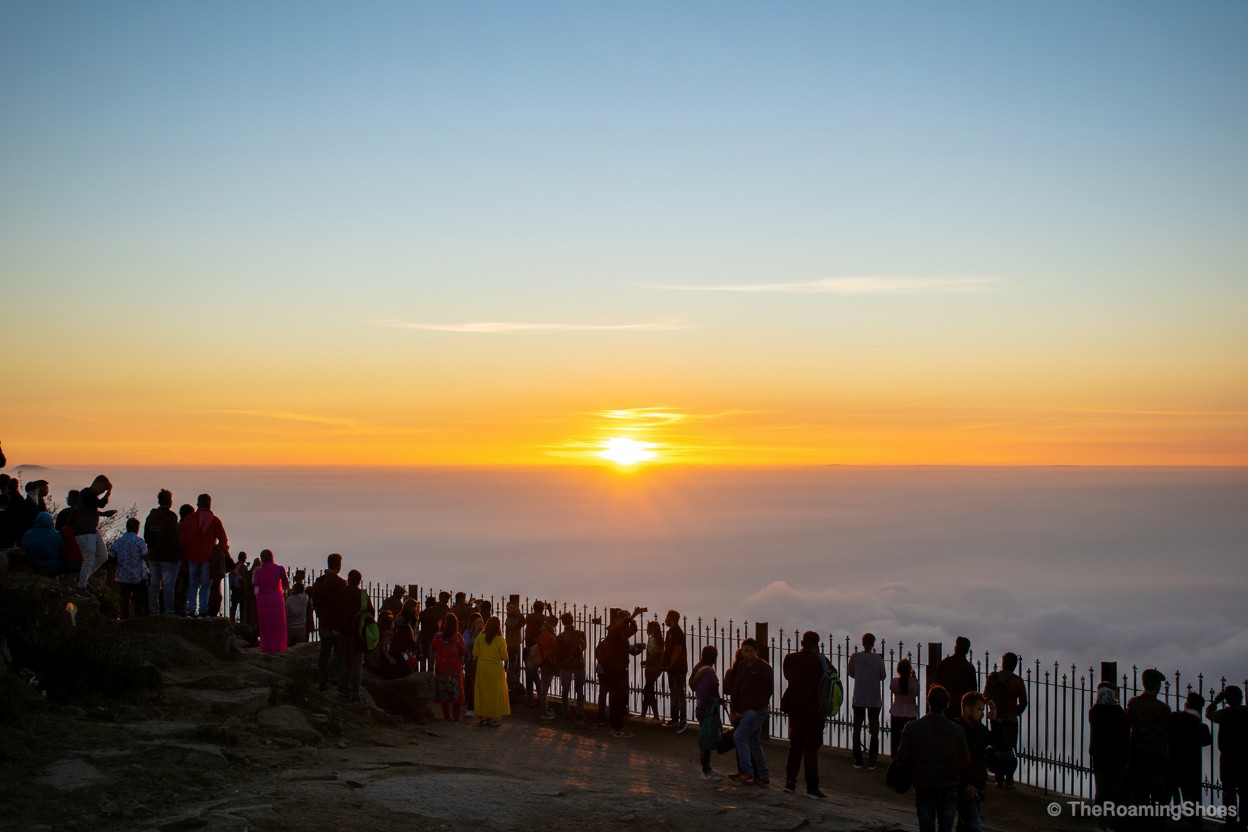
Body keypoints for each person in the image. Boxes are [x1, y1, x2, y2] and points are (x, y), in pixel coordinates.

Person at [895, 685, 972, 832]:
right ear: (947, 704)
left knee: (926, 827)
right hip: (948, 789)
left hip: (923, 787)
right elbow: (966, 762)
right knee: (946, 827)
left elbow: (902, 758)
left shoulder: (912, 728)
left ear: (928, 702)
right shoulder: (957, 731)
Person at [781, 630, 827, 798]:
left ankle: (790, 782)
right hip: (814, 710)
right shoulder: (820, 661)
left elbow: (787, 676)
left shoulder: (790, 659)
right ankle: (812, 787)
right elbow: (832, 677)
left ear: (802, 643)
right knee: (810, 749)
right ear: (817, 644)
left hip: (795, 708)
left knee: (795, 746)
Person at [1126, 667, 1172, 822]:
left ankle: (1139, 823)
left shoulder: (1133, 704)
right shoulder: (1163, 708)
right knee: (1158, 795)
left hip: (1137, 754)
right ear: (1157, 686)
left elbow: (1127, 725)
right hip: (1156, 756)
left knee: (1139, 794)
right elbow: (1169, 730)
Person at [726, 636, 773, 786]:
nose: (746, 654)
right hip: (744, 710)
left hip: (756, 710)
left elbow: (767, 692)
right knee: (753, 742)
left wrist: (754, 707)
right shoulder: (742, 666)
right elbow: (736, 689)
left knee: (739, 737)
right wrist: (734, 711)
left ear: (756, 652)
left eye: (749, 651)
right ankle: (763, 776)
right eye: (744, 650)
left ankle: (747, 773)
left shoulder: (764, 669)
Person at [599, 606, 647, 738]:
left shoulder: (620, 633)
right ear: (619, 619)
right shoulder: (616, 630)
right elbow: (626, 628)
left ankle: (617, 726)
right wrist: (631, 617)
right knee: (617, 698)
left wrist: (633, 618)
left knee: (619, 698)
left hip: (618, 669)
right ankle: (616, 728)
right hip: (616, 670)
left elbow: (633, 631)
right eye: (624, 619)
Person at [1206, 686, 1248, 832]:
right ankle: (1244, 822)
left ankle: (1230, 822)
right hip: (1245, 756)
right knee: (1244, 790)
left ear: (1227, 698)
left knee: (1228, 791)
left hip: (1228, 757)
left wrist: (1217, 700)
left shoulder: (1225, 713)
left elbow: (1209, 714)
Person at [1089, 681, 1130, 829]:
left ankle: (1101, 821)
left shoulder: (1094, 711)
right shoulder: (1119, 712)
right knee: (1114, 791)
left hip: (1100, 756)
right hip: (1118, 757)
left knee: (1101, 790)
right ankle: (1111, 820)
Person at [983, 652, 1028, 788]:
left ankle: (999, 778)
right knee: (1010, 749)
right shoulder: (1017, 681)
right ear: (1014, 665)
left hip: (996, 719)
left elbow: (985, 696)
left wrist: (994, 709)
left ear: (1002, 663)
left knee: (997, 747)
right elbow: (1024, 702)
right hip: (1010, 720)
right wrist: (1015, 712)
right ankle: (1009, 778)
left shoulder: (993, 678)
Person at [179, 494, 227, 617]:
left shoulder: (189, 520)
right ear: (209, 503)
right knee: (206, 585)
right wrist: (219, 551)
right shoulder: (215, 520)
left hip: (191, 556)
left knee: (192, 584)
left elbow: (182, 540)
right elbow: (223, 540)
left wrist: (184, 557)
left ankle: (191, 609)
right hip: (207, 557)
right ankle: (203, 610)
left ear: (198, 503)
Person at [1168, 691, 1211, 830]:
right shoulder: (1201, 727)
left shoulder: (1173, 717)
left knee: (1164, 798)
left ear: (1186, 704)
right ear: (1200, 708)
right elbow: (1206, 741)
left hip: (1171, 764)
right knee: (1192, 803)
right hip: (1191, 769)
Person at [953, 691, 992, 832]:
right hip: (965, 789)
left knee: (965, 827)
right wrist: (965, 785)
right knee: (973, 825)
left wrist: (994, 719)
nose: (982, 713)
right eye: (979, 709)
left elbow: (1002, 744)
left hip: (975, 788)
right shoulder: (957, 728)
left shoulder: (978, 729)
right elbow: (954, 762)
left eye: (983, 710)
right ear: (967, 708)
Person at [309, 553, 347, 692]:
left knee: (324, 653)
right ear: (338, 565)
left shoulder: (319, 581)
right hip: (337, 625)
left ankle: (322, 681)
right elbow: (343, 606)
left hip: (324, 623)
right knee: (338, 655)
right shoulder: (341, 583)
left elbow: (315, 602)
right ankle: (339, 682)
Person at [73, 475, 118, 594]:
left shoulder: (88, 496)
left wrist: (103, 514)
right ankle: (81, 586)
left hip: (91, 530)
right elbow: (100, 504)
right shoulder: (86, 493)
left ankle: (82, 579)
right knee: (89, 558)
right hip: (85, 531)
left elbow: (92, 508)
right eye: (103, 489)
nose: (102, 492)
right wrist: (108, 492)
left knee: (103, 555)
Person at [848, 632, 887, 769]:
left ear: (863, 642)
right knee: (874, 729)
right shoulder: (878, 659)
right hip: (874, 698)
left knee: (857, 728)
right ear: (873, 643)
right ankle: (872, 761)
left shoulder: (855, 657)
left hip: (859, 697)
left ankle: (857, 759)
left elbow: (851, 673)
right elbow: (883, 676)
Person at [143, 490, 181, 615]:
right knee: (168, 585)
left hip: (154, 555)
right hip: (169, 557)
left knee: (154, 584)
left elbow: (146, 536)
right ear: (169, 502)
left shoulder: (151, 516)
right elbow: (173, 537)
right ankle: (169, 611)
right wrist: (178, 553)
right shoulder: (171, 517)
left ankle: (153, 610)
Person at [337, 569, 372, 703]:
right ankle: (355, 693)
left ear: (348, 579)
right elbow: (370, 614)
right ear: (359, 581)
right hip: (358, 635)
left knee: (343, 663)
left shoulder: (341, 593)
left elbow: (335, 612)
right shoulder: (363, 595)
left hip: (342, 633)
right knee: (357, 665)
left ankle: (344, 691)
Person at [691, 645, 723, 781]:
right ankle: (706, 770)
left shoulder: (698, 669)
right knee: (708, 739)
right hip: (707, 710)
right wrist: (714, 700)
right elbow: (705, 692)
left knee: (706, 737)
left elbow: (693, 686)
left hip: (700, 708)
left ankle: (707, 769)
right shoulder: (709, 673)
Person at [472, 615, 511, 727]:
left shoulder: (480, 637)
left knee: (483, 693)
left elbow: (475, 653)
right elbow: (504, 657)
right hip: (495, 669)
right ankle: (494, 718)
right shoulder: (500, 639)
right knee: (495, 694)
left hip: (482, 668)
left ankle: (483, 717)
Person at [110, 516, 150, 618]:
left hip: (123, 576)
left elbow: (112, 554)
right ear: (137, 528)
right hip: (138, 576)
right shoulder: (139, 541)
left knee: (124, 600)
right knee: (142, 600)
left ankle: (125, 619)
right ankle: (141, 619)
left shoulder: (119, 541)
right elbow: (145, 555)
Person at [252, 549, 289, 654]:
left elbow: (255, 583)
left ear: (262, 559)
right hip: (277, 599)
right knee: (277, 623)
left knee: (266, 624)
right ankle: (278, 646)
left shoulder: (258, 571)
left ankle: (267, 647)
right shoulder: (280, 569)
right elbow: (286, 584)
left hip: (263, 601)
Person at [433, 612, 467, 722]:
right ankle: (456, 716)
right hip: (454, 668)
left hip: (441, 667)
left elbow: (434, 648)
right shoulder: (457, 637)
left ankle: (446, 716)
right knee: (456, 694)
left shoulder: (437, 637)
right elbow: (463, 651)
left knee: (444, 693)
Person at [555, 611, 587, 725]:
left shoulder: (559, 637)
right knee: (579, 690)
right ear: (572, 620)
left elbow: (557, 654)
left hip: (566, 666)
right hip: (578, 665)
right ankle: (580, 713)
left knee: (565, 691)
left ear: (563, 623)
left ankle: (566, 713)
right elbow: (584, 647)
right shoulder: (580, 634)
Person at [935, 636, 978, 719]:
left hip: (945, 704)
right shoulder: (970, 668)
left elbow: (937, 684)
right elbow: (973, 691)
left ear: (955, 648)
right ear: (967, 651)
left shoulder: (945, 663)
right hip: (962, 707)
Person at [662, 609, 689, 733]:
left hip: (678, 668)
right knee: (674, 694)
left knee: (679, 695)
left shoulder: (677, 633)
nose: (665, 619)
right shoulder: (671, 632)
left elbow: (677, 649)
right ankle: (674, 719)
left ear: (672, 618)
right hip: (672, 669)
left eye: (667, 617)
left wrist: (670, 664)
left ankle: (682, 720)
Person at [21, 511, 64, 578]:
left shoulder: (27, 534)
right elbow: (61, 550)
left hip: (32, 566)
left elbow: (23, 549)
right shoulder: (56, 536)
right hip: (52, 568)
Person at [891, 658, 919, 757]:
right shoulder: (914, 683)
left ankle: (895, 758)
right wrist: (914, 678)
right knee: (909, 739)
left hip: (896, 712)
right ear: (909, 669)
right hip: (910, 713)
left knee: (896, 739)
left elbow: (892, 688)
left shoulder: (894, 682)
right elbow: (916, 693)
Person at [640, 619, 665, 724]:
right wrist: (646, 661)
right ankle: (651, 715)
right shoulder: (653, 638)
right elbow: (653, 653)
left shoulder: (656, 639)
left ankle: (650, 715)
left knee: (648, 690)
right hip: (651, 667)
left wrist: (657, 665)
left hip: (653, 668)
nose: (647, 629)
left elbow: (660, 654)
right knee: (649, 691)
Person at [535, 615, 559, 720]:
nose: (554, 627)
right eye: (554, 625)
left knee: (544, 687)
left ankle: (545, 708)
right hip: (547, 663)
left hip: (545, 662)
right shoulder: (546, 634)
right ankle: (544, 712)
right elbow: (554, 645)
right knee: (544, 688)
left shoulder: (543, 632)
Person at [462, 612, 483, 716]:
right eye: (477, 623)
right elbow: (464, 647)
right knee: (470, 685)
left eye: (481, 622)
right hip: (472, 662)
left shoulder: (483, 633)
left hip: (482, 662)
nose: (480, 625)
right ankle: (471, 707)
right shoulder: (467, 634)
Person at [504, 601, 525, 698]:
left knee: (512, 666)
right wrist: (517, 611)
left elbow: (523, 620)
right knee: (513, 666)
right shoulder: (511, 621)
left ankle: (513, 685)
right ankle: (512, 685)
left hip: (512, 644)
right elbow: (523, 620)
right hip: (513, 645)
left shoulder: (511, 620)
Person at [285, 580, 310, 645]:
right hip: (301, 626)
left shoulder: (289, 599)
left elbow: (286, 614)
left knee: (289, 645)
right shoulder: (305, 598)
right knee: (300, 645)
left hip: (290, 627)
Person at [227, 552, 246, 622]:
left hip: (234, 591)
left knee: (233, 608)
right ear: (244, 558)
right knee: (242, 609)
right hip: (241, 591)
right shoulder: (243, 567)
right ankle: (242, 623)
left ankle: (232, 623)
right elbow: (245, 579)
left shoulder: (233, 567)